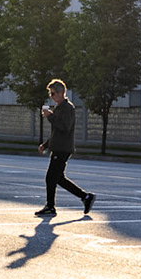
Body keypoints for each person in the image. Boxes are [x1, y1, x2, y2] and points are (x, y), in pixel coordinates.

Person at [36, 78, 95, 216]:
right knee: (58, 178)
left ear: (61, 92)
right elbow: (56, 132)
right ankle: (86, 197)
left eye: (53, 93)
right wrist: (45, 145)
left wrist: (50, 116)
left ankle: (50, 206)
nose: (51, 96)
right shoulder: (59, 108)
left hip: (63, 148)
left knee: (51, 177)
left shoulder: (68, 108)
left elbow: (65, 127)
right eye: (50, 94)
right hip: (58, 147)